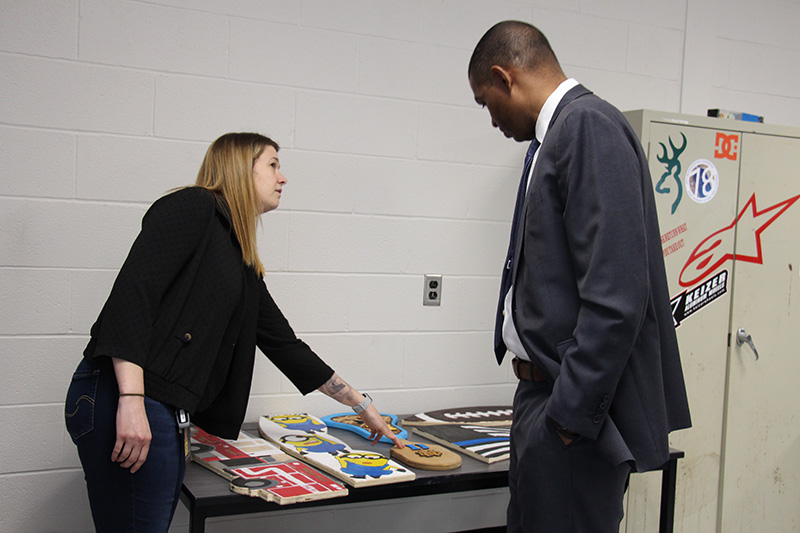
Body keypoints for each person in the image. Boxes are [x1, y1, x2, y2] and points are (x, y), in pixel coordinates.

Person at [64, 132, 402, 532]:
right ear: (243, 168)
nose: (283, 177)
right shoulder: (194, 206)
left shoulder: (239, 255)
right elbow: (133, 295)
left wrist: (362, 406)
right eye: (273, 164)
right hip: (125, 393)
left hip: (160, 405)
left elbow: (283, 343)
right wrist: (132, 400)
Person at [468, 21, 691, 532]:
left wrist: (569, 418)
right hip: (542, 401)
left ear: (506, 78)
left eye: (486, 102)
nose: (491, 118)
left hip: (565, 412)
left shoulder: (587, 127)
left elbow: (616, 300)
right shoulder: (555, 137)